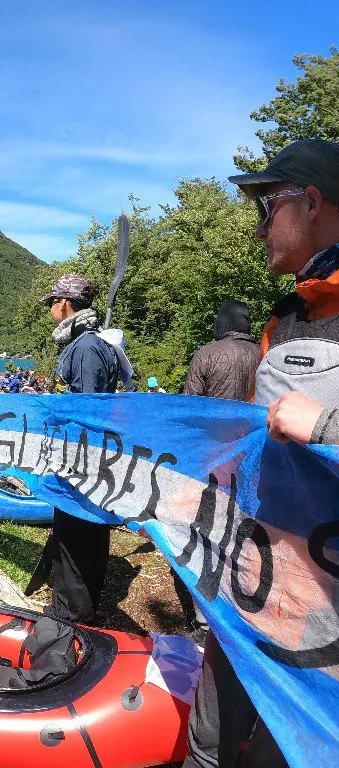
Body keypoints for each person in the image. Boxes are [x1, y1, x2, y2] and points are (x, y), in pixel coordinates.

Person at [182, 138, 339, 768]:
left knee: (285, 751)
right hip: (250, 573)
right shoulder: (283, 318)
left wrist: (326, 423)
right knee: (207, 742)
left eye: (266, 208)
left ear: (312, 200)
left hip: (326, 615)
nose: (257, 230)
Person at [177, 298, 260, 644]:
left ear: (222, 323)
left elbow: (190, 405)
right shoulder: (265, 353)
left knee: (206, 531)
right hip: (255, 457)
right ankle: (244, 608)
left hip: (213, 457)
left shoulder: (208, 354)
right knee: (244, 532)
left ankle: (203, 621)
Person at [40, 274, 119, 623]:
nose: (51, 311)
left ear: (65, 304)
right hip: (78, 457)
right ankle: (69, 608)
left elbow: (87, 410)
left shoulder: (86, 348)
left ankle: (73, 618)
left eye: (52, 304)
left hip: (82, 461)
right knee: (71, 533)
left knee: (79, 536)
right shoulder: (85, 344)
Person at [183, 299, 260, 401]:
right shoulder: (264, 354)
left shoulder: (205, 355)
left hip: (214, 417)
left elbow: (189, 403)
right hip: (253, 417)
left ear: (221, 322)